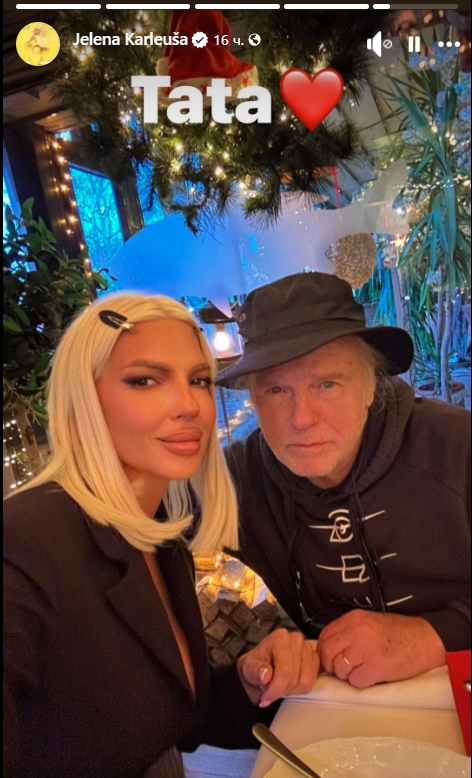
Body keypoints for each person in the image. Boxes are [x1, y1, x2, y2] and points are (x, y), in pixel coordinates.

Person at [3, 293, 320, 778]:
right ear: (82, 399)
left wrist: (247, 679)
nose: (188, 405)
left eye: (198, 380)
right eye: (145, 380)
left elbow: (167, 721)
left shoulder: (162, 538)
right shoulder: (22, 546)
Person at [217, 272, 471, 690]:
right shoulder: (235, 482)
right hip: (326, 711)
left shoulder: (456, 447)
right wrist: (251, 663)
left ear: (371, 385)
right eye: (276, 390)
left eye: (327, 384)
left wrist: (431, 636)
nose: (302, 419)